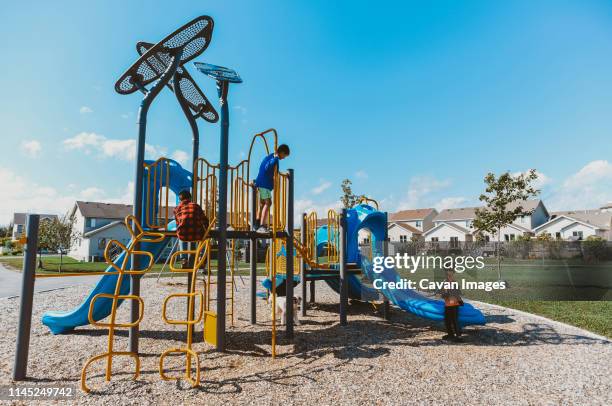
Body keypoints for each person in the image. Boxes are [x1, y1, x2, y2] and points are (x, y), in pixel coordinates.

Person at [253, 144, 290, 233]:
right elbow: (267, 167)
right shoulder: (273, 158)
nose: (284, 158)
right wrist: (276, 158)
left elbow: (273, 170)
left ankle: (256, 224)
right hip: (264, 184)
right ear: (281, 152)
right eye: (284, 156)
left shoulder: (270, 157)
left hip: (262, 183)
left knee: (262, 204)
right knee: (268, 202)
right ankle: (262, 225)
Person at [173, 190, 209, 266]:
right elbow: (204, 220)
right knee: (204, 238)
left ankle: (184, 259)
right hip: (197, 234)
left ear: (180, 199)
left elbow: (177, 223)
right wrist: (207, 230)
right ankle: (201, 257)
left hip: (183, 235)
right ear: (190, 198)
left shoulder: (177, 208)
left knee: (181, 235)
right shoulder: (196, 206)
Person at [441, 269, 464, 342]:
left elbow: (457, 294)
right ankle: (450, 334)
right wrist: (444, 295)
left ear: (453, 274)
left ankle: (459, 337)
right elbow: (443, 294)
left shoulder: (455, 283)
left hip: (454, 305)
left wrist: (460, 301)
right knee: (447, 321)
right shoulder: (445, 283)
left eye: (451, 272)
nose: (449, 275)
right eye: (448, 272)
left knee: (455, 321)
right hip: (447, 304)